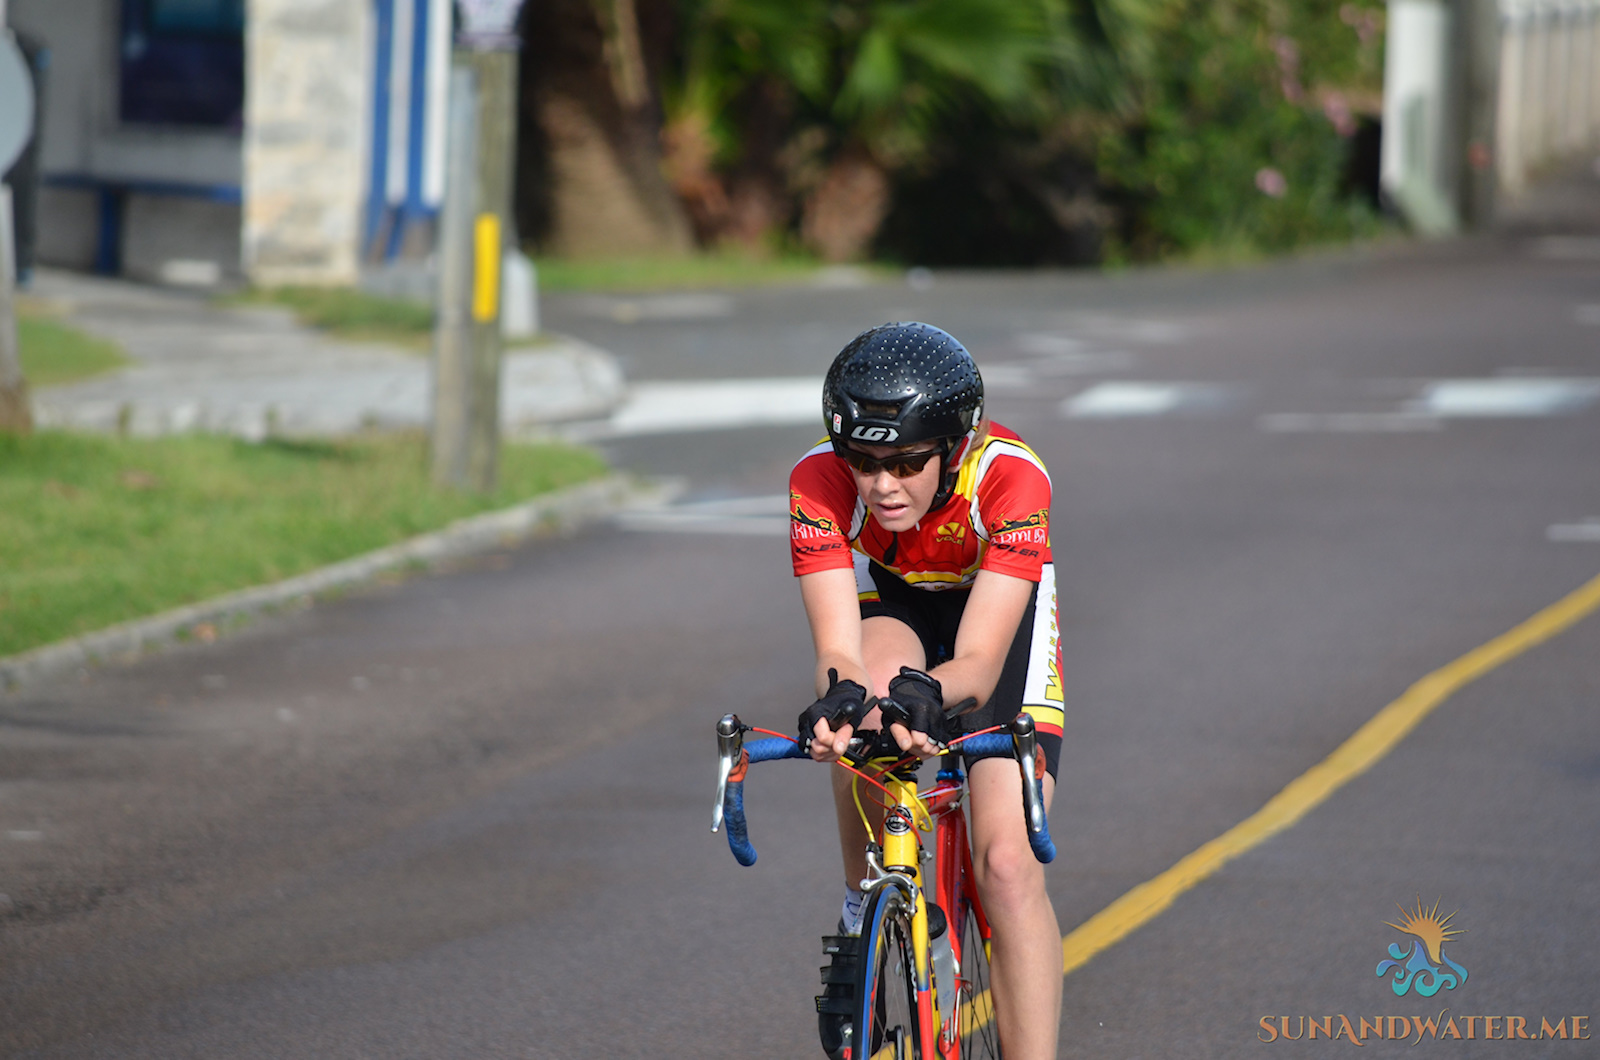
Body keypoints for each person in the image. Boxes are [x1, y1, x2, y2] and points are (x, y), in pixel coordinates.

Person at [789, 321, 1063, 1059]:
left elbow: (978, 662)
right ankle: (862, 909)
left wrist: (928, 693)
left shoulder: (1011, 478)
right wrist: (842, 700)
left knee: (1006, 865)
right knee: (860, 715)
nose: (882, 485)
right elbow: (838, 651)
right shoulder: (816, 480)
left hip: (993, 613)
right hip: (899, 599)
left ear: (957, 447)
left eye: (908, 462)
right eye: (863, 461)